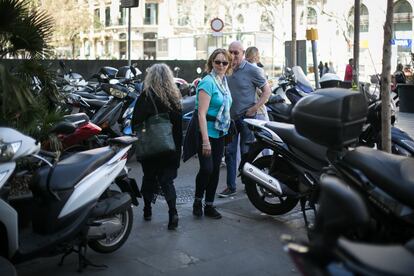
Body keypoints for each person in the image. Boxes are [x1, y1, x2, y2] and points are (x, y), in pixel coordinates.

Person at [131, 63, 182, 230]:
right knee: (167, 181)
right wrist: (177, 152)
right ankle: (173, 213)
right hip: (169, 148)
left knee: (149, 177)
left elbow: (135, 123)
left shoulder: (145, 96)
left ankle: (147, 210)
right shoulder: (173, 98)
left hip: (150, 148)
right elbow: (179, 129)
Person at [219, 41, 271, 197]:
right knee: (229, 153)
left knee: (247, 153)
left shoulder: (252, 70)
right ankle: (231, 186)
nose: (233, 55)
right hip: (230, 119)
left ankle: (249, 184)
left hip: (247, 118)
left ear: (243, 53)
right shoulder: (224, 68)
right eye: (231, 52)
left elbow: (266, 91)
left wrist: (255, 108)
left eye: (236, 52)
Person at [192, 48, 233, 219]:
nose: (221, 65)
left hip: (220, 131)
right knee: (207, 169)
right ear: (211, 63)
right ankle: (197, 200)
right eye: (218, 62)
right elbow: (201, 113)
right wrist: (205, 141)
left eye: (225, 62)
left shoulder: (223, 82)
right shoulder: (208, 82)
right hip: (205, 132)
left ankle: (209, 205)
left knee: (215, 170)